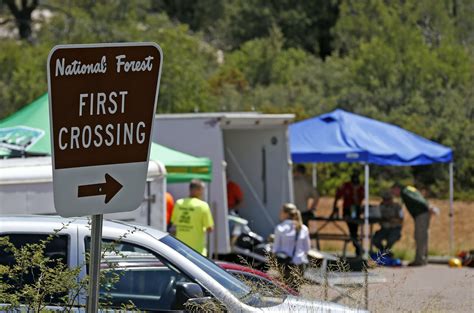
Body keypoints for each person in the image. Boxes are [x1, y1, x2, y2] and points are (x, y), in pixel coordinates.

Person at [391, 183, 436, 266]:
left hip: (421, 214)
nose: (394, 194)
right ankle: (423, 258)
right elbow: (419, 197)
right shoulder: (409, 188)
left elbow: (416, 199)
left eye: (393, 191)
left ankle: (419, 260)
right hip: (423, 213)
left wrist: (428, 207)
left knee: (420, 236)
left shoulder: (405, 192)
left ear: (397, 188)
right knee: (424, 236)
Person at [171, 179, 214, 256]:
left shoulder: (179, 203)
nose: (202, 192)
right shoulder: (203, 205)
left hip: (181, 248)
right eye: (202, 190)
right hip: (197, 251)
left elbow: (174, 224)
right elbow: (210, 228)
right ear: (197, 190)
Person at [273, 203, 311, 287]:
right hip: (300, 262)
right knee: (296, 288)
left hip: (285, 263)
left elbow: (275, 249)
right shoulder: (304, 228)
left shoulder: (280, 228)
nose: (280, 214)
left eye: (281, 212)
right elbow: (307, 249)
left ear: (286, 213)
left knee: (285, 288)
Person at [333, 170, 364, 256]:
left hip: (356, 211)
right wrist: (334, 208)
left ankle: (358, 247)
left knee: (354, 230)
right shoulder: (346, 186)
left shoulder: (360, 188)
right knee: (352, 230)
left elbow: (359, 202)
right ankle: (358, 247)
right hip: (347, 210)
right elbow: (337, 195)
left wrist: (355, 192)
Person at [372, 191, 403, 255]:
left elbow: (401, 219)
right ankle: (384, 252)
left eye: (387, 199)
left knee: (391, 240)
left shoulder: (397, 206)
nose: (386, 201)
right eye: (384, 199)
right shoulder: (381, 206)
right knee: (375, 239)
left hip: (395, 228)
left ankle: (386, 253)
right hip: (384, 229)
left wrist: (391, 219)